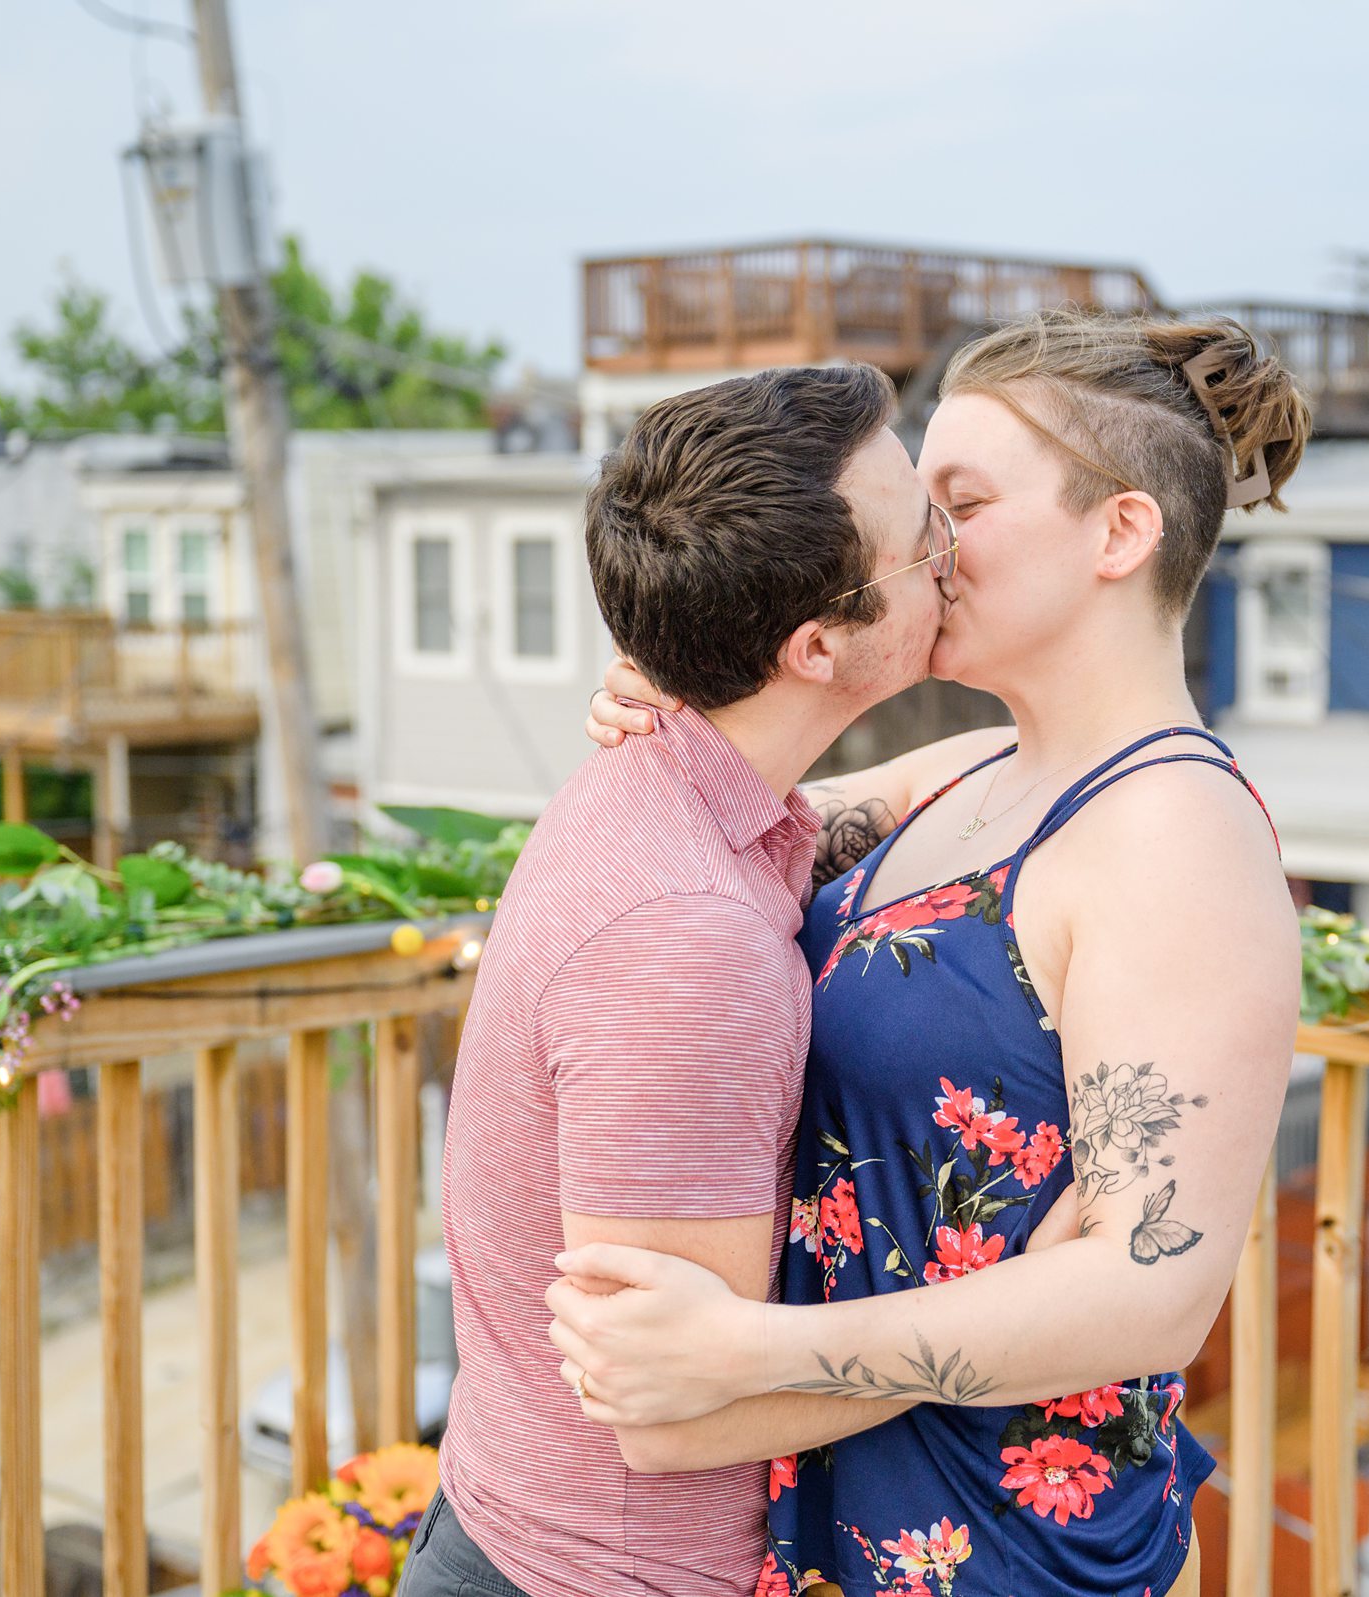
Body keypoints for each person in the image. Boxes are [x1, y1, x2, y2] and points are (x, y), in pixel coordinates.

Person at [551, 311, 1312, 1597]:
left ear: (1121, 532)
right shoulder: (965, 774)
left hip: (1013, 1553)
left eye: (958, 504)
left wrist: (747, 1353)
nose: (922, 549)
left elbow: (1152, 1289)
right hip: (847, 1522)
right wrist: (678, 686)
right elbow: (746, 821)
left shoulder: (1177, 841)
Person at [401, 363, 954, 1597]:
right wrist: (1004, 1335)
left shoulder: (681, 788)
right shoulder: (686, 939)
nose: (951, 550)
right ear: (817, 644)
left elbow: (931, 783)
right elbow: (673, 1413)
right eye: (926, 537)